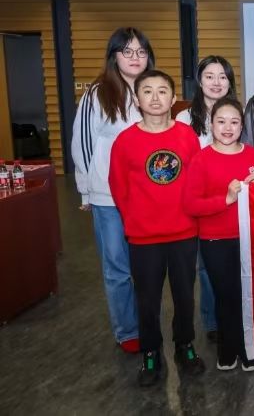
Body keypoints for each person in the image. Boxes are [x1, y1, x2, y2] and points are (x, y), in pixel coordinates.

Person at [108, 70, 204, 387]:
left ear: (173, 98)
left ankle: (184, 344)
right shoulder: (125, 141)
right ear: (137, 99)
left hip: (184, 232)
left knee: (184, 296)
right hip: (144, 236)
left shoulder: (186, 136)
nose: (154, 97)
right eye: (147, 91)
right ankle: (150, 351)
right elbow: (118, 186)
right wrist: (135, 220)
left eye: (162, 91)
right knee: (147, 299)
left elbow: (197, 181)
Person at [70, 27, 154, 354]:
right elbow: (84, 144)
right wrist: (86, 190)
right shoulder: (98, 94)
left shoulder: (152, 90)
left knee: (145, 267)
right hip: (108, 196)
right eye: (127, 51)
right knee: (117, 268)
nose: (135, 57)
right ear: (114, 55)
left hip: (146, 197)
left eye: (141, 52)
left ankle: (147, 324)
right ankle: (127, 330)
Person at [183, 97, 254, 372]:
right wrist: (227, 199)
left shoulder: (253, 156)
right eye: (221, 121)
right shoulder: (201, 159)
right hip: (216, 240)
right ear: (211, 124)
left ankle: (248, 349)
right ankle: (227, 349)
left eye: (234, 122)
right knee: (226, 294)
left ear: (242, 126)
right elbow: (191, 205)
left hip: (249, 239)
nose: (228, 128)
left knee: (248, 295)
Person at [176, 55, 237, 342]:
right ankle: (212, 321)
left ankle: (234, 318)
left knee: (231, 265)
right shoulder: (184, 119)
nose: (216, 82)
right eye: (209, 76)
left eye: (222, 77)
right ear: (199, 82)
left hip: (232, 201)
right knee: (204, 265)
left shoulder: (238, 113)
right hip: (199, 202)